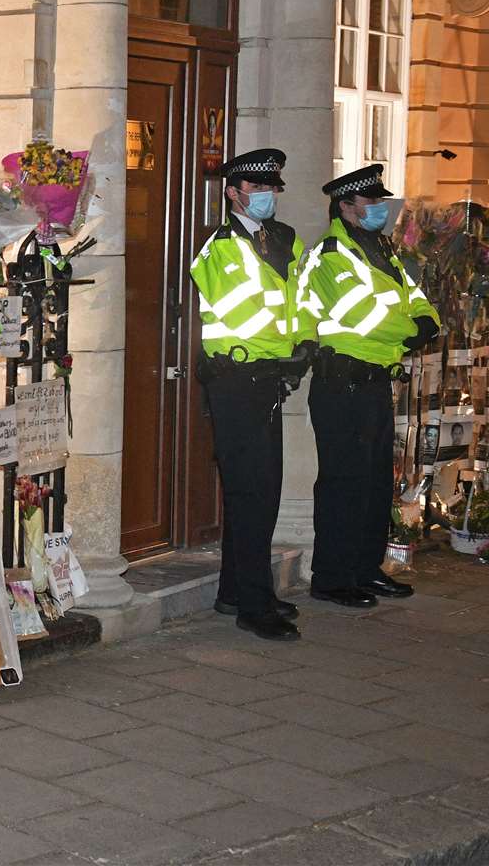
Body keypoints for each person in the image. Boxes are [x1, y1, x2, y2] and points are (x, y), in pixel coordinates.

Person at [297, 164, 438, 607]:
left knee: (376, 483)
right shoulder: (332, 253)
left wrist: (426, 321)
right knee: (344, 483)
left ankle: (365, 569)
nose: (380, 208)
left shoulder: (379, 248)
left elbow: (416, 298)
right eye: (372, 201)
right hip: (343, 384)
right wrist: (411, 331)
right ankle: (333, 577)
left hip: (376, 384)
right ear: (346, 206)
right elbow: (363, 313)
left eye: (380, 200)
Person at [189, 149, 306, 641]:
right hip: (237, 377)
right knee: (250, 491)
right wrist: (285, 350)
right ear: (232, 193)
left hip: (269, 377)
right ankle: (252, 605)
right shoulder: (220, 246)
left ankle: (236, 590)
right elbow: (242, 311)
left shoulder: (282, 240)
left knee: (264, 488)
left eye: (272, 189)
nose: (266, 197)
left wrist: (306, 344)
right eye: (256, 190)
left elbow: (300, 301)